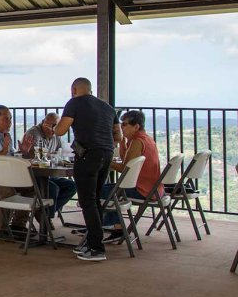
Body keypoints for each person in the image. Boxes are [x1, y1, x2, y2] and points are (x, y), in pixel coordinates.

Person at [55, 77, 118, 262]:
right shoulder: (108, 108)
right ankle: (91, 241)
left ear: (74, 90)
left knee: (87, 200)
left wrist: (54, 127)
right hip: (107, 153)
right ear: (90, 90)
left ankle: (96, 248)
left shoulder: (74, 103)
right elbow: (119, 136)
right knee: (95, 198)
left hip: (88, 155)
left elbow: (61, 130)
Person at [100, 110, 162, 237]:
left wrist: (105, 161)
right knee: (107, 189)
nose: (121, 127)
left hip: (142, 189)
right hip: (153, 189)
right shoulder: (145, 139)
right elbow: (126, 160)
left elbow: (125, 168)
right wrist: (122, 140)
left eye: (125, 124)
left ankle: (113, 226)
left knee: (99, 191)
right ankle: (109, 225)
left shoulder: (138, 142)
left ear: (136, 126)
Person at [19, 112, 77, 218]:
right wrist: (52, 155)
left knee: (71, 186)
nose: (52, 128)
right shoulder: (33, 133)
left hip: (47, 175)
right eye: (49, 125)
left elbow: (60, 153)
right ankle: (45, 221)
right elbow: (37, 155)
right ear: (43, 123)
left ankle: (43, 214)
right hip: (32, 176)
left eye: (55, 126)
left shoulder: (56, 135)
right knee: (53, 189)